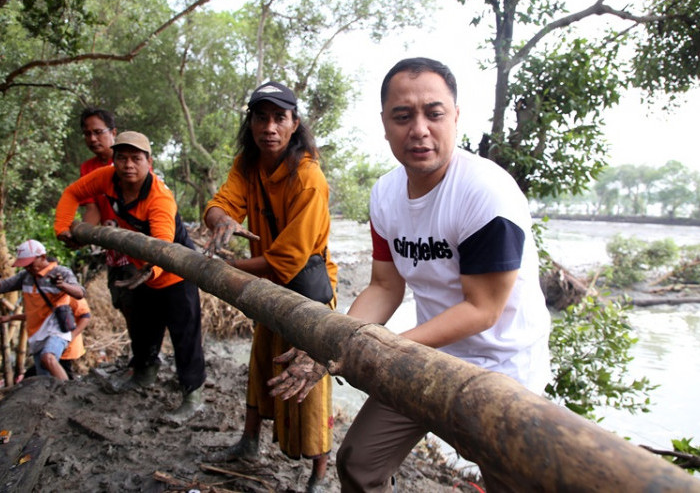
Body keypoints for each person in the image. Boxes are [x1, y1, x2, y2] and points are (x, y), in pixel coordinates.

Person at [331, 57, 552, 491]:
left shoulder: (485, 193)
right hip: (430, 356)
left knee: (507, 483)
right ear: (385, 123)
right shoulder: (385, 195)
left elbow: (483, 310)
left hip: (503, 368)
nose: (419, 129)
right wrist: (343, 338)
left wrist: (379, 347)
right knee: (359, 463)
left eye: (434, 113)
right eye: (403, 116)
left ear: (455, 117)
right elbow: (384, 286)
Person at [203, 81, 337, 492]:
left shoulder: (309, 178)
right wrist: (220, 221)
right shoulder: (248, 165)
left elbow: (287, 259)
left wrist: (230, 268)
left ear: (295, 124)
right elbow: (220, 203)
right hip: (269, 286)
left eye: (279, 117)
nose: (269, 127)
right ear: (252, 123)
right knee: (261, 361)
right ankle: (248, 442)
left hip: (307, 293)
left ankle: (318, 472)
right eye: (261, 117)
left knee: (308, 380)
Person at [54, 131, 206, 424]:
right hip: (141, 273)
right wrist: (62, 227)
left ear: (148, 162)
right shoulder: (106, 178)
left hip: (174, 273)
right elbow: (72, 193)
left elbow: (163, 246)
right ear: (114, 161)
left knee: (185, 336)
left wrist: (152, 270)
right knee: (142, 328)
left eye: (136, 159)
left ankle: (192, 396)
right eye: (121, 158)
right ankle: (144, 373)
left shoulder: (160, 198)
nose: (128, 165)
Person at [78, 108, 138, 334]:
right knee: (120, 298)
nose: (92, 138)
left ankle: (146, 358)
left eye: (98, 132)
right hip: (112, 246)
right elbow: (92, 207)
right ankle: (140, 354)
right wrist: (83, 234)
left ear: (113, 132)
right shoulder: (88, 168)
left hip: (136, 244)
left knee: (138, 299)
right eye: (87, 133)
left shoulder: (129, 161)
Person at [0, 240, 86, 381]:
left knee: (48, 357)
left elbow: (80, 293)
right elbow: (3, 286)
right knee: (44, 378)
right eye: (25, 265)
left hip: (57, 330)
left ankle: (68, 392)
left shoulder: (61, 272)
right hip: (37, 334)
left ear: (42, 257)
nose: (28, 268)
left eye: (30, 264)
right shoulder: (25, 277)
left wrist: (62, 285)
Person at [4, 294, 92, 382]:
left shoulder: (71, 295)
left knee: (57, 372)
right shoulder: (45, 294)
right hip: (49, 343)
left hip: (66, 347)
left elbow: (86, 316)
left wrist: (72, 336)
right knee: (40, 373)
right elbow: (36, 315)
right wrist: (11, 317)